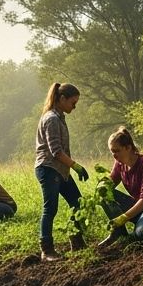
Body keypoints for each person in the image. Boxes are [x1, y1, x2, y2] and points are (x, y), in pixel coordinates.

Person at [34, 82, 88, 262]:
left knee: (77, 202)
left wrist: (70, 167)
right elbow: (56, 151)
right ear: (62, 98)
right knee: (50, 208)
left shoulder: (59, 117)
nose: (74, 106)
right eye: (73, 103)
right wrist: (76, 166)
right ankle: (47, 250)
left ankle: (76, 240)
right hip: (49, 168)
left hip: (60, 170)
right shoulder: (51, 119)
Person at [97, 126, 143, 248]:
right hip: (140, 206)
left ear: (128, 148)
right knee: (103, 193)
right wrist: (102, 185)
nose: (114, 155)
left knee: (141, 233)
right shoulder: (120, 164)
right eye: (112, 151)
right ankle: (118, 233)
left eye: (116, 151)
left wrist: (124, 217)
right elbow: (110, 183)